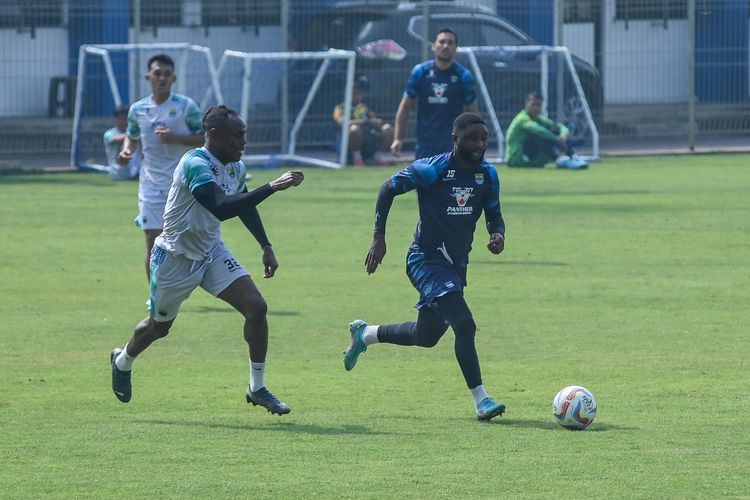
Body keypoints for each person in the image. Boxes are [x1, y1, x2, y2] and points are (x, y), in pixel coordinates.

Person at [110, 105, 304, 416]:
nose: (243, 142)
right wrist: (271, 187)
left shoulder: (234, 167)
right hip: (175, 258)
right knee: (159, 329)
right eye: (237, 136)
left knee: (257, 307)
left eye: (244, 135)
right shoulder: (194, 163)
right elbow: (221, 207)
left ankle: (257, 387)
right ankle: (123, 361)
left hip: (212, 252)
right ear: (213, 135)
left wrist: (266, 245)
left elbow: (241, 205)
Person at [344, 112, 507, 421]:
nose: (479, 144)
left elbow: (494, 213)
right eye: (472, 138)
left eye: (484, 138)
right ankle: (482, 400)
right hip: (425, 260)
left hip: (455, 265)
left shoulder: (488, 175)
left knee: (426, 335)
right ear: (455, 139)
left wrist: (497, 233)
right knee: (465, 324)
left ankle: (365, 334)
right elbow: (387, 188)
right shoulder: (432, 170)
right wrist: (379, 238)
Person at [117, 53, 206, 280]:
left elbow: (205, 138)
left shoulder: (186, 106)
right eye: (157, 73)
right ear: (148, 76)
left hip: (183, 186)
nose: (162, 78)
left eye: (167, 74)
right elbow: (132, 135)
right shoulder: (138, 109)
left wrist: (176, 137)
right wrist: (127, 150)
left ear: (174, 78)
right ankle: (156, 299)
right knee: (153, 242)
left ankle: (183, 285)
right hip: (150, 186)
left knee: (186, 244)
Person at [390, 28, 479, 160]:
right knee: (425, 180)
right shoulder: (420, 72)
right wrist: (398, 138)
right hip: (425, 146)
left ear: (456, 48)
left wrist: (476, 140)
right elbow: (405, 106)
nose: (445, 46)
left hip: (454, 146)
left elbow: (473, 112)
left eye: (450, 43)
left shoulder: (464, 76)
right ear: (433, 46)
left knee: (451, 180)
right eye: (442, 42)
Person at [504, 92, 588, 169]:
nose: (535, 108)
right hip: (517, 159)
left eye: (538, 105)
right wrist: (556, 140)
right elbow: (538, 130)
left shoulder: (539, 119)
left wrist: (563, 135)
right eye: (533, 105)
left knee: (555, 131)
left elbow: (559, 126)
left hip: (534, 158)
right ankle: (560, 160)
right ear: (526, 103)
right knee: (537, 135)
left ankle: (573, 156)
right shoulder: (522, 118)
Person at [332, 76, 394, 166]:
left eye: (359, 94)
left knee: (387, 128)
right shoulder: (340, 108)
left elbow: (374, 119)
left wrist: (377, 122)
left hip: (368, 138)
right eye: (355, 93)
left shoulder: (364, 107)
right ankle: (357, 158)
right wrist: (364, 122)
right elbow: (343, 122)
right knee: (354, 129)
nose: (357, 96)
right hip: (348, 142)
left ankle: (376, 156)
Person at [103, 105, 140, 180]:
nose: (122, 121)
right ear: (115, 119)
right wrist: (136, 132)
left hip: (136, 173)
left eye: (124, 119)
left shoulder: (134, 133)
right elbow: (116, 139)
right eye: (119, 119)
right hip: (117, 174)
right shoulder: (109, 134)